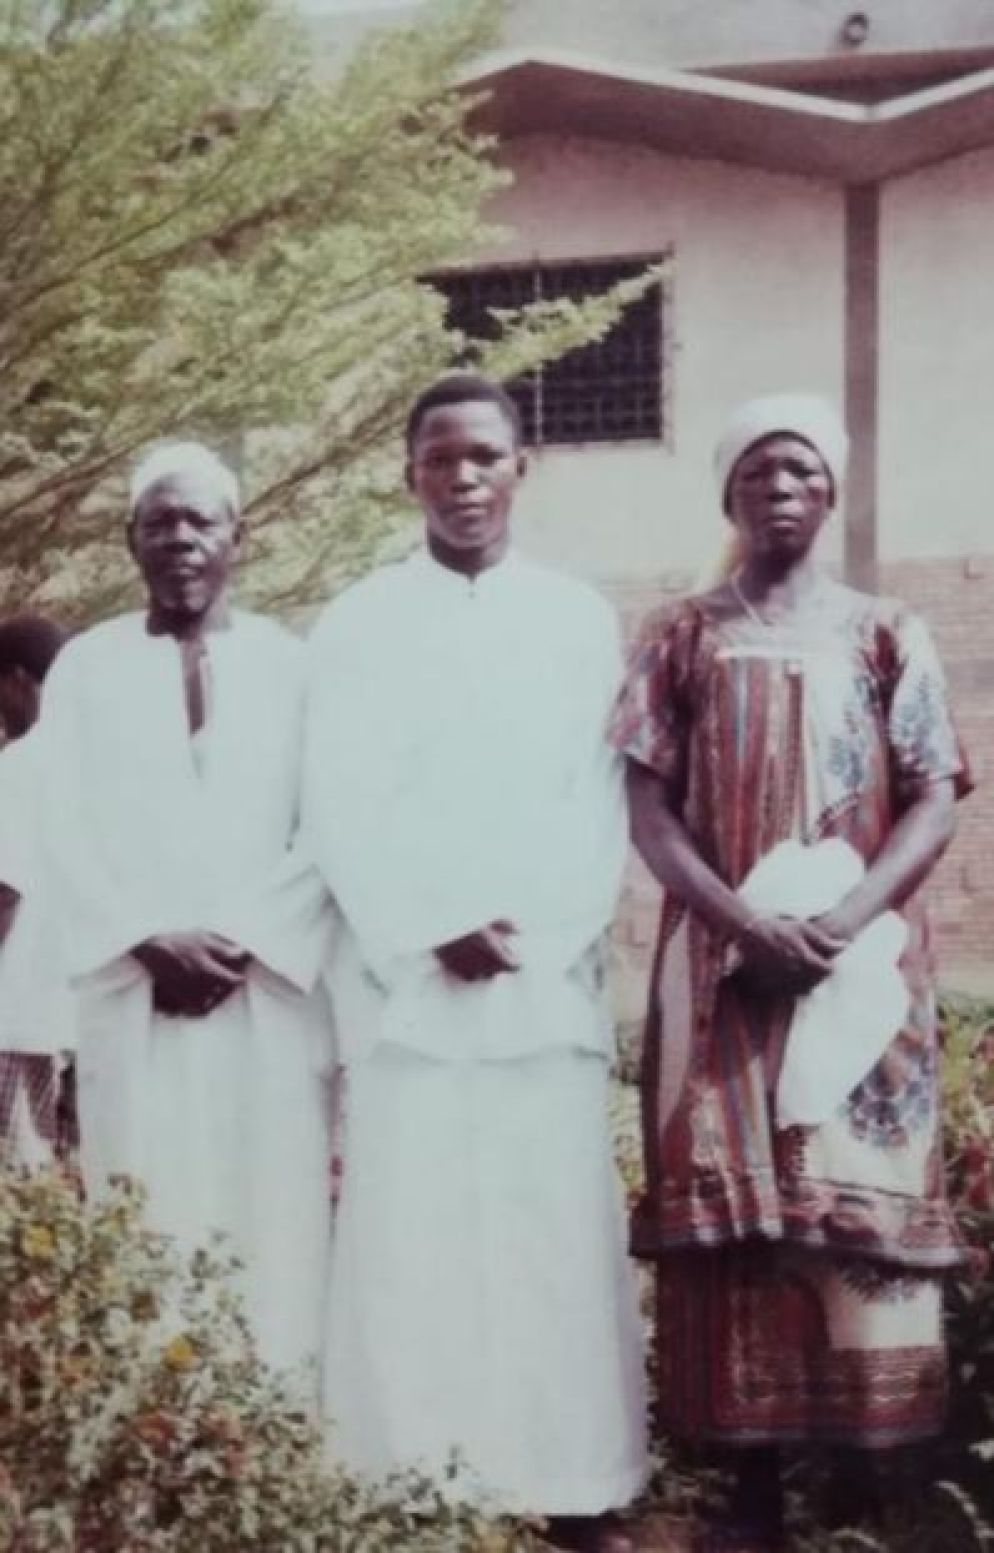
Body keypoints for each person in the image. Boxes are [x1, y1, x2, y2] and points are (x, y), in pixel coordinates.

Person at [610, 393, 971, 1551]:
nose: (780, 488)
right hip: (720, 974)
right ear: (727, 493)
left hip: (863, 970)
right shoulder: (680, 632)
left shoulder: (888, 629)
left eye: (802, 470)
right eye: (759, 471)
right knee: (732, 1222)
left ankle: (875, 1487)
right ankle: (749, 1491)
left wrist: (848, 920)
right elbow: (646, 801)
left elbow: (933, 791)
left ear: (832, 491)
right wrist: (734, 925)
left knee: (857, 1210)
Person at [304, 374, 647, 1551]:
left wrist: (531, 934)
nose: (463, 479)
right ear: (407, 474)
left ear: (521, 468)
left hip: (541, 990)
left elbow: (598, 801)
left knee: (551, 1238)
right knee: (416, 1240)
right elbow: (339, 802)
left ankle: (574, 1481)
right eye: (440, 459)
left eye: (485, 457)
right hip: (410, 991)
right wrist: (425, 924)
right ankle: (411, 1479)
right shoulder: (354, 623)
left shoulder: (575, 618)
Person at [36, 442, 336, 1388]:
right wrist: (144, 940)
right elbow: (55, 818)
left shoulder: (297, 667)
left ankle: (278, 1418)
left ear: (237, 535)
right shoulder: (85, 667)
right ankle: (157, 1425)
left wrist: (243, 941)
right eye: (158, 522)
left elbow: (328, 823)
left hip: (268, 996)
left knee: (275, 1201)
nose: (179, 538)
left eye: (199, 519)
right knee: (146, 1193)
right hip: (137, 994)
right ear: (131, 540)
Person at [0, 614, 73, 1166]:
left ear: (18, 679)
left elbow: (4, 890)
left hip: (18, 1012)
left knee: (21, 1183)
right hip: (83, 1016)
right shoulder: (104, 764)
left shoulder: (19, 767)